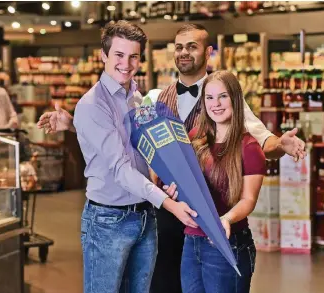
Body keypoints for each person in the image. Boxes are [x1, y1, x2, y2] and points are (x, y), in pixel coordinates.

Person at [37, 24, 306, 293]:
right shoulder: (152, 98)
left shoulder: (223, 96)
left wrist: (282, 143)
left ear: (208, 52)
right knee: (163, 283)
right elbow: (120, 143)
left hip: (201, 214)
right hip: (160, 211)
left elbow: (261, 138)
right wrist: (77, 123)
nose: (184, 52)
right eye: (179, 47)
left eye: (192, 46)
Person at [72, 20, 198, 293]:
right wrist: (168, 204)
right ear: (103, 55)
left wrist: (164, 180)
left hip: (144, 215)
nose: (126, 64)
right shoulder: (92, 105)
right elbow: (120, 168)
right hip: (108, 220)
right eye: (118, 55)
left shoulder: (137, 98)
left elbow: (145, 153)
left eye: (133, 56)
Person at [182, 70, 265, 293]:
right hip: (192, 241)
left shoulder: (249, 147)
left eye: (223, 96)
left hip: (228, 243)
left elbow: (248, 199)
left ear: (235, 99)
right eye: (209, 98)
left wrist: (226, 219)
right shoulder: (195, 138)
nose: (215, 104)